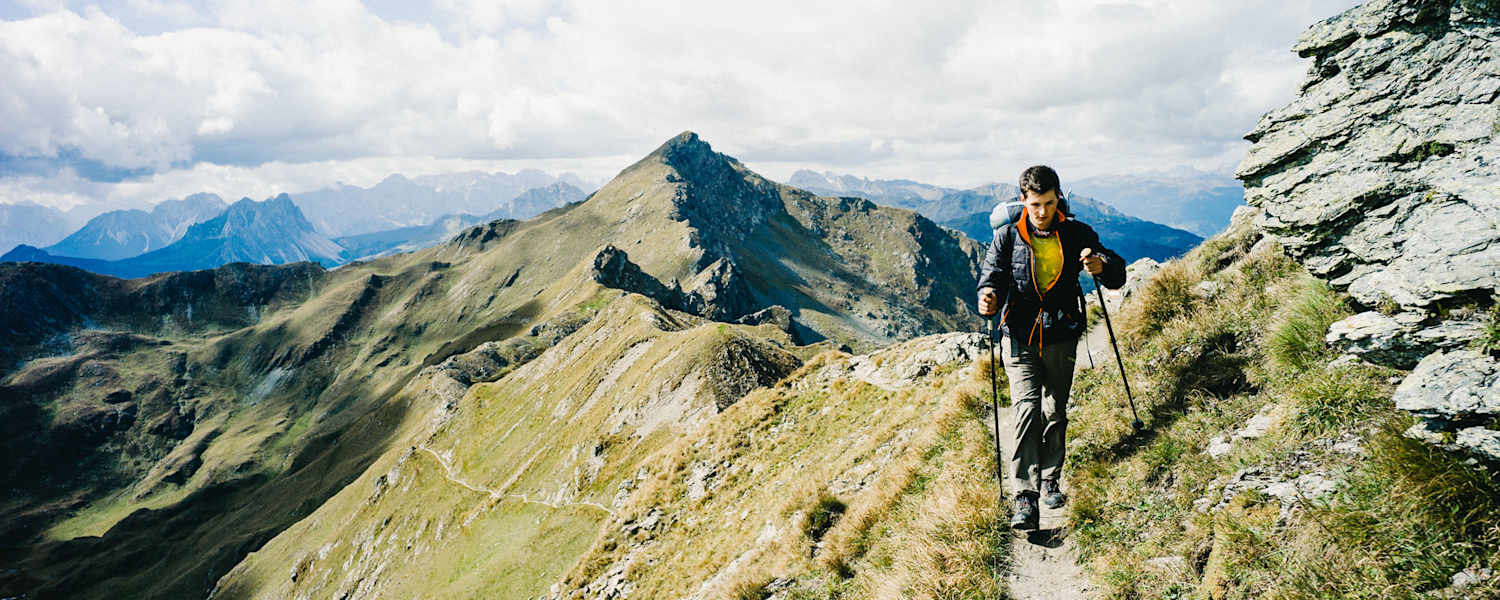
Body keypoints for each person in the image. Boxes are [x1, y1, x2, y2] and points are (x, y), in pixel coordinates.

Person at [976, 165, 1126, 530]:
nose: (1041, 212)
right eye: (1034, 205)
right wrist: (988, 296)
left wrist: (1099, 264)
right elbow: (991, 275)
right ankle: (1025, 497)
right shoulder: (1008, 237)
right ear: (1023, 202)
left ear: (1057, 197)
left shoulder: (1077, 234)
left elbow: (1117, 274)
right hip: (1020, 334)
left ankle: (1050, 479)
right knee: (1026, 408)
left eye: (1046, 202)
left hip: (1061, 333)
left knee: (1054, 409)